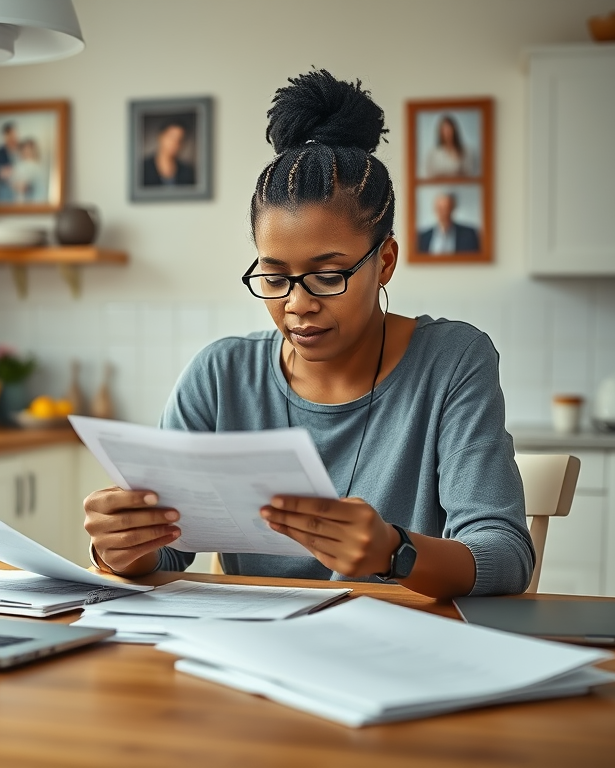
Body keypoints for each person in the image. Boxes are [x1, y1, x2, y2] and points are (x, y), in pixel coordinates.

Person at [84, 70, 532, 599]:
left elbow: (503, 554)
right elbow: (168, 553)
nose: (297, 304)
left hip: (396, 652)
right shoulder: (220, 375)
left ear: (384, 262)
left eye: (327, 276)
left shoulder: (453, 362)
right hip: (250, 655)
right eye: (274, 278)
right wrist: (121, 546)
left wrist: (395, 552)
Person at [417, 192, 481, 254]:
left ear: (453, 208)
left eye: (447, 208)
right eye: (440, 208)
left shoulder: (468, 235)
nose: (443, 212)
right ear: (435, 209)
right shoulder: (423, 237)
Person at [141, 120, 196, 187]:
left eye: (180, 139)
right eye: (171, 137)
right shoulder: (142, 168)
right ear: (160, 137)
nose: (175, 143)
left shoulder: (188, 172)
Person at [0, 122, 20, 202]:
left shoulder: (23, 151)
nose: (13, 138)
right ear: (5, 136)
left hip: (21, 191)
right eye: (10, 135)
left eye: (14, 134)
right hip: (4, 191)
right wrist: (0, 173)